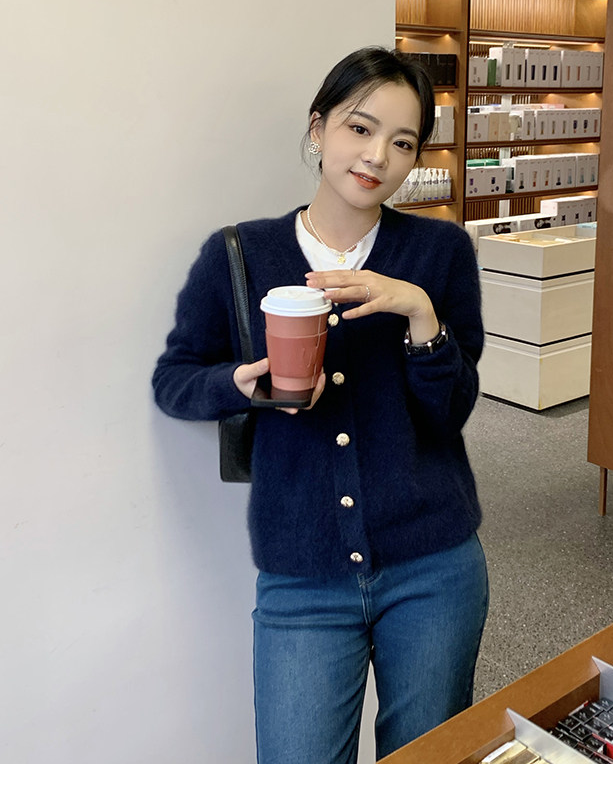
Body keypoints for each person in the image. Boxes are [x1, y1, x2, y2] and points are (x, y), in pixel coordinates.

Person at [152, 46, 488, 764]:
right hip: (301, 574)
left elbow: (451, 411)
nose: (377, 157)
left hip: (433, 566)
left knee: (425, 765)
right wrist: (240, 386)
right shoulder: (241, 253)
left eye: (403, 143)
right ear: (318, 128)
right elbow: (174, 379)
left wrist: (420, 314)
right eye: (359, 128)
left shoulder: (440, 253)